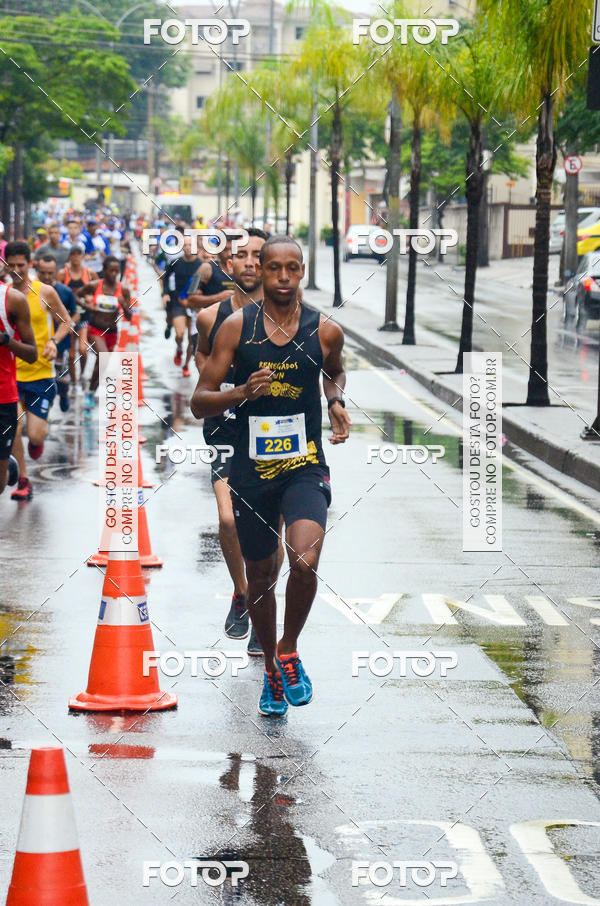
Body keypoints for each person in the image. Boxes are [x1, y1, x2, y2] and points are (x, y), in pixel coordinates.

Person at [191, 236, 351, 716]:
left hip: (304, 465)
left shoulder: (324, 330)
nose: (283, 277)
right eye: (274, 268)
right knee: (261, 576)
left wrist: (336, 401)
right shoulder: (237, 328)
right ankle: (269, 674)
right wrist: (240, 391)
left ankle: (288, 649)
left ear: (302, 272)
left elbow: (335, 373)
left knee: (303, 561)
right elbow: (201, 399)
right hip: (251, 469)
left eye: (292, 269)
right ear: (259, 270)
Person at [195, 228, 268, 653]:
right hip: (226, 423)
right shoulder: (213, 317)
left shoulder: (287, 316)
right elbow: (202, 357)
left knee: (265, 527)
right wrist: (220, 385)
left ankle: (261, 610)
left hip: (273, 430)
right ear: (229, 264)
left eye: (258, 255)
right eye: (242, 255)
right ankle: (241, 593)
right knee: (228, 519)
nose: (250, 263)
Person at [5, 240, 74, 501]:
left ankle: (37, 442)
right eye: (10, 265)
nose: (15, 270)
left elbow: (67, 321)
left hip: (41, 373)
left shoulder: (44, 292)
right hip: (11, 374)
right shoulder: (4, 294)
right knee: (15, 428)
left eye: (20, 265)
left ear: (29, 264)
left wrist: (54, 342)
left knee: (35, 434)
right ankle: (24, 479)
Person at [75, 255, 131, 407]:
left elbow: (130, 316)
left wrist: (124, 305)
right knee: (104, 357)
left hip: (112, 332)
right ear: (104, 271)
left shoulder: (123, 289)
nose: (114, 274)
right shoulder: (94, 285)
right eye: (111, 271)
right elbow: (76, 295)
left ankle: (91, 391)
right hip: (95, 329)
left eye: (117, 271)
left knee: (102, 365)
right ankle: (90, 392)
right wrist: (87, 307)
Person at [0, 280, 37, 495]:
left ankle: (8, 465)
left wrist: (5, 340)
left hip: (3, 399)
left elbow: (32, 354)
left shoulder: (12, 299)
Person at [35, 254, 79, 412]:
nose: (46, 277)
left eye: (50, 273)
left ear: (56, 272)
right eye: (42, 273)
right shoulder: (31, 290)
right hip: (38, 344)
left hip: (60, 343)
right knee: (43, 381)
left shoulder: (65, 291)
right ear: (37, 271)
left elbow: (75, 313)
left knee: (61, 378)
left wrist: (68, 325)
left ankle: (64, 394)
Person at [161, 234, 201, 373]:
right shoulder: (176, 262)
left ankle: (186, 365)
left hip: (195, 304)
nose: (188, 248)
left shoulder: (201, 264)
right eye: (186, 245)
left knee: (192, 339)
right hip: (178, 301)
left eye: (191, 245)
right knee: (179, 333)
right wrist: (165, 293)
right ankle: (178, 348)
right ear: (181, 247)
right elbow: (165, 278)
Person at [58, 247, 97, 385]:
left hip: (83, 316)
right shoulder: (63, 274)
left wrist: (90, 298)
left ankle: (82, 375)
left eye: (78, 254)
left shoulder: (89, 273)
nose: (75, 257)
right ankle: (74, 382)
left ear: (82, 256)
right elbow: (57, 292)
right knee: (71, 355)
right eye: (73, 255)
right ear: (69, 257)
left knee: (83, 350)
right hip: (68, 317)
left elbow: (98, 289)